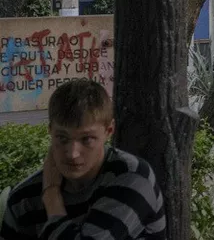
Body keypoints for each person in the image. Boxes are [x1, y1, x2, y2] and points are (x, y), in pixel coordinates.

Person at [1, 80, 165, 239]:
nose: (73, 153)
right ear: (50, 131)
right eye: (62, 138)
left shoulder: (132, 177)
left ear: (109, 131)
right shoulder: (23, 199)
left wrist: (51, 197)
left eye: (87, 139)